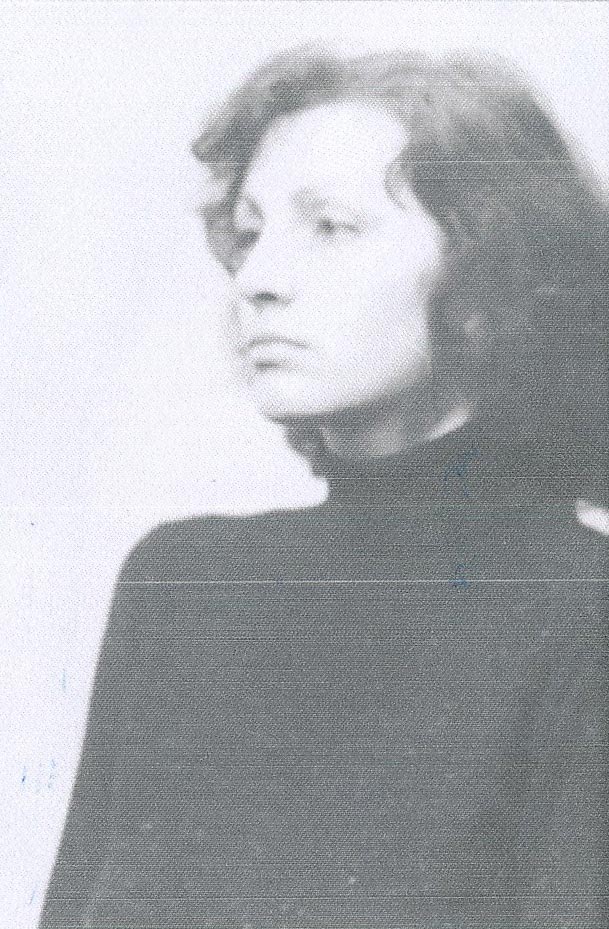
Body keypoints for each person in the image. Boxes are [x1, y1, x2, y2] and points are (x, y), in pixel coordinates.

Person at [40, 46, 608, 929]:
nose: (256, 280)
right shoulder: (183, 581)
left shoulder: (583, 612)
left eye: (330, 227)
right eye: (251, 231)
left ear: (488, 278)